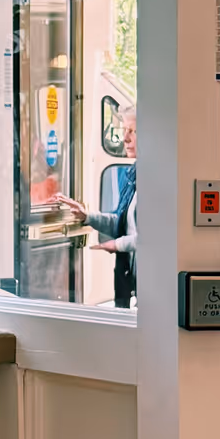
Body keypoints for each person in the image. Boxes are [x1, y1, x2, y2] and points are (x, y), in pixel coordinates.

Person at [54, 111, 136, 308]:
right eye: (124, 130)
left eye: (132, 131)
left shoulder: (158, 179)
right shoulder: (135, 174)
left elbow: (155, 237)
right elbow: (121, 222)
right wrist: (86, 216)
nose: (125, 138)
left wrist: (117, 245)